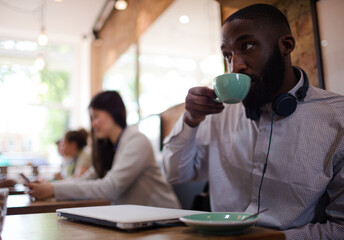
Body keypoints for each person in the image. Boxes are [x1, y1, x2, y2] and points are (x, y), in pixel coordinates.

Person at [163, 4, 344, 239]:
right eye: (227, 55)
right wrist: (190, 120)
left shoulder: (336, 119)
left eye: (246, 46)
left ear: (286, 45)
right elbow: (176, 174)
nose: (234, 66)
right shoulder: (219, 114)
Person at [27, 91, 180, 209]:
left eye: (96, 117)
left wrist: (54, 189)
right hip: (139, 221)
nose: (93, 124)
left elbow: (111, 188)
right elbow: (88, 178)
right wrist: (50, 187)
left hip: (165, 220)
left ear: (113, 113)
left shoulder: (137, 141)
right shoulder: (111, 146)